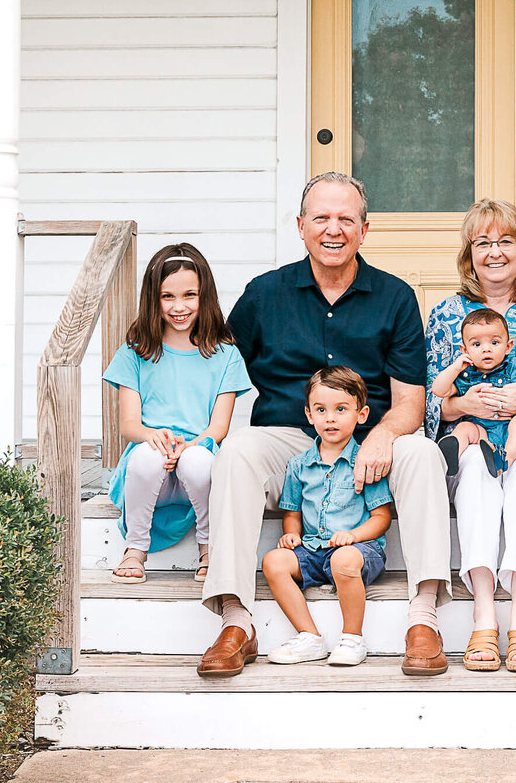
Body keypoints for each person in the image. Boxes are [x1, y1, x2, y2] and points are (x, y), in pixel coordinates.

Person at [197, 172, 452, 679]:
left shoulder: (395, 297)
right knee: (238, 452)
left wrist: (380, 434)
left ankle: (423, 617)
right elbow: (212, 365)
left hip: (369, 440)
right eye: (321, 218)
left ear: (364, 229)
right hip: (291, 440)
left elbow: (410, 402)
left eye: (345, 219)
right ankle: (235, 619)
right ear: (300, 226)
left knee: (423, 453)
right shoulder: (264, 295)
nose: (333, 229)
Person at [424, 199, 516, 673]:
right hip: (472, 439)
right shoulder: (447, 313)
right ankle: (484, 613)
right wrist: (460, 406)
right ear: (469, 254)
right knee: (473, 465)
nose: (494, 252)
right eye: (482, 243)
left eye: (505, 241)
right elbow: (434, 397)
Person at [103, 244, 252, 585]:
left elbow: (219, 427)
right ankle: (136, 548)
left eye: (189, 295)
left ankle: (208, 547)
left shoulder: (225, 354)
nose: (179, 306)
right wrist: (153, 437)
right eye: (167, 296)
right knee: (147, 458)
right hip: (150, 463)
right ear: (153, 299)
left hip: (197, 462)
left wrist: (188, 447)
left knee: (198, 461)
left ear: (205, 296)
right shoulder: (135, 352)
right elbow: (129, 424)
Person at [262, 367, 392, 667]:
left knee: (343, 559)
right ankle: (310, 637)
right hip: (313, 549)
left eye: (341, 409)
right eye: (321, 410)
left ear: (361, 415)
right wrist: (291, 533)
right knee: (273, 561)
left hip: (359, 553)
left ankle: (352, 638)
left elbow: (381, 517)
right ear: (309, 415)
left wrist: (354, 536)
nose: (330, 418)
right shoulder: (299, 465)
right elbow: (292, 512)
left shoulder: (365, 461)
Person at [431, 308, 516, 477]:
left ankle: (505, 458)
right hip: (483, 432)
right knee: (464, 428)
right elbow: (439, 390)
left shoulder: (512, 367)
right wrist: (455, 368)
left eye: (494, 343)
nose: (486, 349)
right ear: (465, 350)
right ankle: (449, 459)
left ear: (508, 346)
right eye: (476, 344)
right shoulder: (466, 375)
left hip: (512, 428)